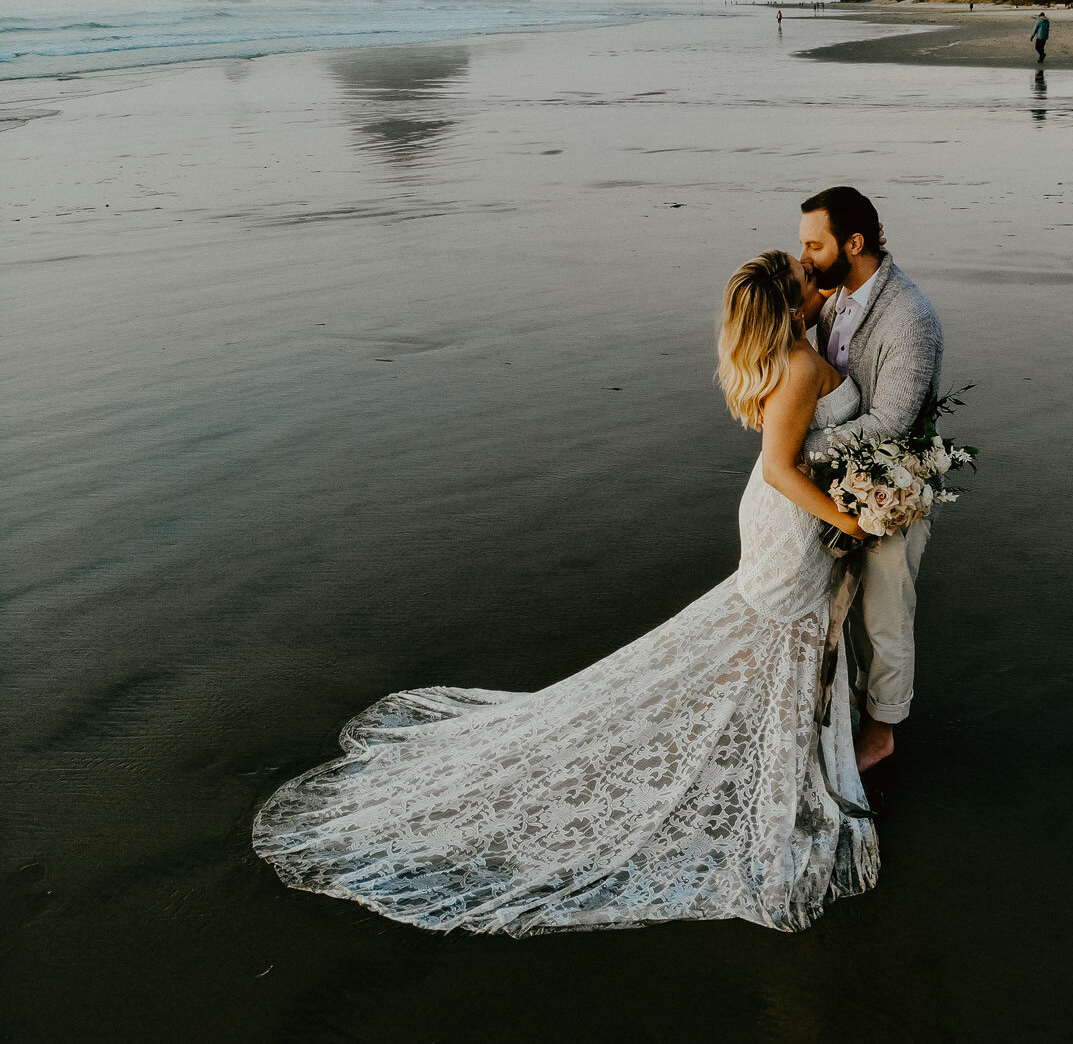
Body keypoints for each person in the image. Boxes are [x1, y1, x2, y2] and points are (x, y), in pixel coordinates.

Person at [252, 251, 879, 935]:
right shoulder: (796, 368)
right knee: (777, 633)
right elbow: (783, 469)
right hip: (792, 518)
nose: (816, 277)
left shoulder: (794, 350)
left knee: (770, 637)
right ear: (792, 308)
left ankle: (777, 745)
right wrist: (854, 517)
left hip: (786, 515)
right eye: (805, 278)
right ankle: (770, 764)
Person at [796, 187, 943, 772]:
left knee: (885, 614)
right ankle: (851, 706)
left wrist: (799, 449)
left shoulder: (910, 318)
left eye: (813, 243)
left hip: (891, 489)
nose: (803, 255)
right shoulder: (835, 295)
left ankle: (881, 733)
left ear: (852, 244)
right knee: (841, 607)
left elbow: (891, 421)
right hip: (840, 486)